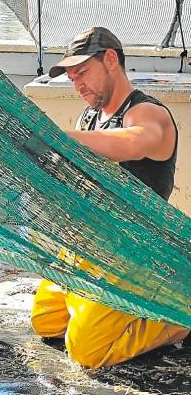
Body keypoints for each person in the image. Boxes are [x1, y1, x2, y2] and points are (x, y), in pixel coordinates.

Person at [31, 27, 190, 368]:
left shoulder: (148, 114)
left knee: (86, 351)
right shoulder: (89, 116)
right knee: (45, 323)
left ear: (112, 60)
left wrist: (52, 136)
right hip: (91, 243)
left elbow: (132, 142)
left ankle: (178, 315)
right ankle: (108, 305)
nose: (78, 86)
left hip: (135, 250)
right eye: (72, 78)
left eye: (83, 73)